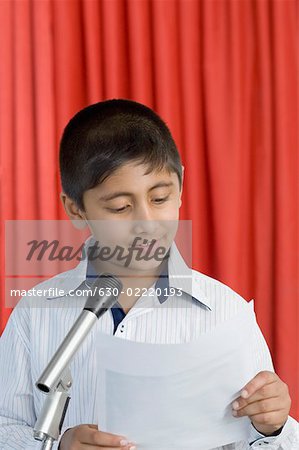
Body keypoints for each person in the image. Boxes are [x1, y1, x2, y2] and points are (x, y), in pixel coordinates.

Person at [0, 99, 298, 450]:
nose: (146, 223)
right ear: (75, 208)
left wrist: (274, 427)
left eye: (159, 198)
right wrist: (57, 446)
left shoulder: (226, 313)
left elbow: (262, 438)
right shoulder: (35, 315)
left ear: (181, 185)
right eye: (120, 207)